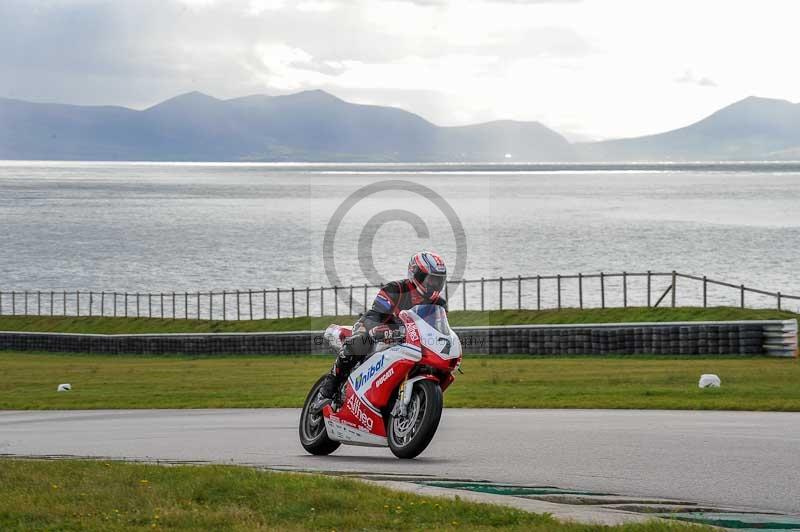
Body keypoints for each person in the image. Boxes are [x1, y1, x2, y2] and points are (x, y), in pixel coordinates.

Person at [317, 251, 448, 402]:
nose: (434, 285)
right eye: (431, 279)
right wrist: (379, 329)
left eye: (438, 281)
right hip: (377, 329)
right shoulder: (395, 289)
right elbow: (375, 315)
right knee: (359, 342)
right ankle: (328, 388)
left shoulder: (439, 304)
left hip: (411, 341)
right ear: (416, 274)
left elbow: (437, 329)